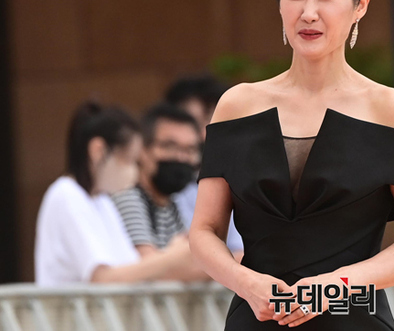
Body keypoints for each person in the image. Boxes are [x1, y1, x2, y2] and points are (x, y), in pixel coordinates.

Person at [189, 0, 394, 331]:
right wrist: (246, 283)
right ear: (279, 1)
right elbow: (204, 231)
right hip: (256, 316)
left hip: (353, 316)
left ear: (359, 4)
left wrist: (337, 286)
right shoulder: (237, 105)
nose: (308, 13)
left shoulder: (392, 109)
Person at [35, 101, 202, 286]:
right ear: (98, 151)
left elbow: (129, 267)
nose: (134, 172)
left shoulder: (102, 201)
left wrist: (174, 254)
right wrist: (172, 257)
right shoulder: (67, 195)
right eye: (129, 161)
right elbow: (102, 278)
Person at [165, 75, 244, 258]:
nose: (204, 132)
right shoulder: (166, 183)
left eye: (212, 120)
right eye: (193, 123)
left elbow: (241, 249)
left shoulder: (234, 179)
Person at [111, 102, 200, 255]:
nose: (181, 158)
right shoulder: (127, 196)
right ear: (142, 150)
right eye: (170, 147)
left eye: (190, 150)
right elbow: (146, 261)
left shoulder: (172, 205)